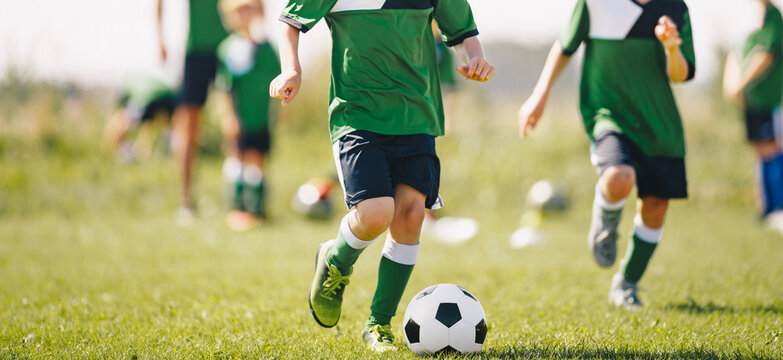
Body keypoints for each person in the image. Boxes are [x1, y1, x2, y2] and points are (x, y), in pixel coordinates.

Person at [270, 0, 495, 351]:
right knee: (375, 213)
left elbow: (463, 32)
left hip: (418, 116)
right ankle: (335, 261)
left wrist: (474, 57)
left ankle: (379, 323)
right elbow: (291, 23)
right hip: (357, 116)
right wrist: (291, 70)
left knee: (410, 215)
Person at [518, 0, 695, 309]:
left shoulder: (675, 8)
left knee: (655, 207)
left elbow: (680, 75)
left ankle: (627, 283)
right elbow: (565, 46)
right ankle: (606, 220)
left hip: (658, 122)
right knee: (618, 177)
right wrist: (539, 95)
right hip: (607, 113)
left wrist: (670, 47)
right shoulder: (595, 3)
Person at [157, 0, 229, 224]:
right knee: (188, 126)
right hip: (196, 49)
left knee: (238, 120)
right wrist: (160, 37)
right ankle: (186, 200)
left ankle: (242, 200)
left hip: (230, 47)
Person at [216, 0, 280, 231]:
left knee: (258, 162)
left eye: (249, 9)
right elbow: (225, 87)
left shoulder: (267, 48)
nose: (245, 15)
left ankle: (257, 209)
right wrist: (229, 117)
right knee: (237, 161)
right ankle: (237, 207)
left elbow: (278, 79)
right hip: (239, 118)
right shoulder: (228, 49)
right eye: (239, 11)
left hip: (261, 117)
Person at [723, 0, 783, 230]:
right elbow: (736, 54)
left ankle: (778, 208)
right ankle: (766, 208)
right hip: (751, 101)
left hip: (768, 99)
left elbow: (766, 55)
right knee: (760, 149)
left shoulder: (773, 17)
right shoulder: (748, 19)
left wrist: (741, 85)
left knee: (772, 148)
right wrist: (732, 85)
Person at [105, 75, 176, 162]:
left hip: (147, 99)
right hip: (168, 97)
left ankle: (125, 152)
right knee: (155, 124)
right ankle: (158, 151)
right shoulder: (139, 81)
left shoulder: (126, 89)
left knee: (122, 123)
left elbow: (120, 116)